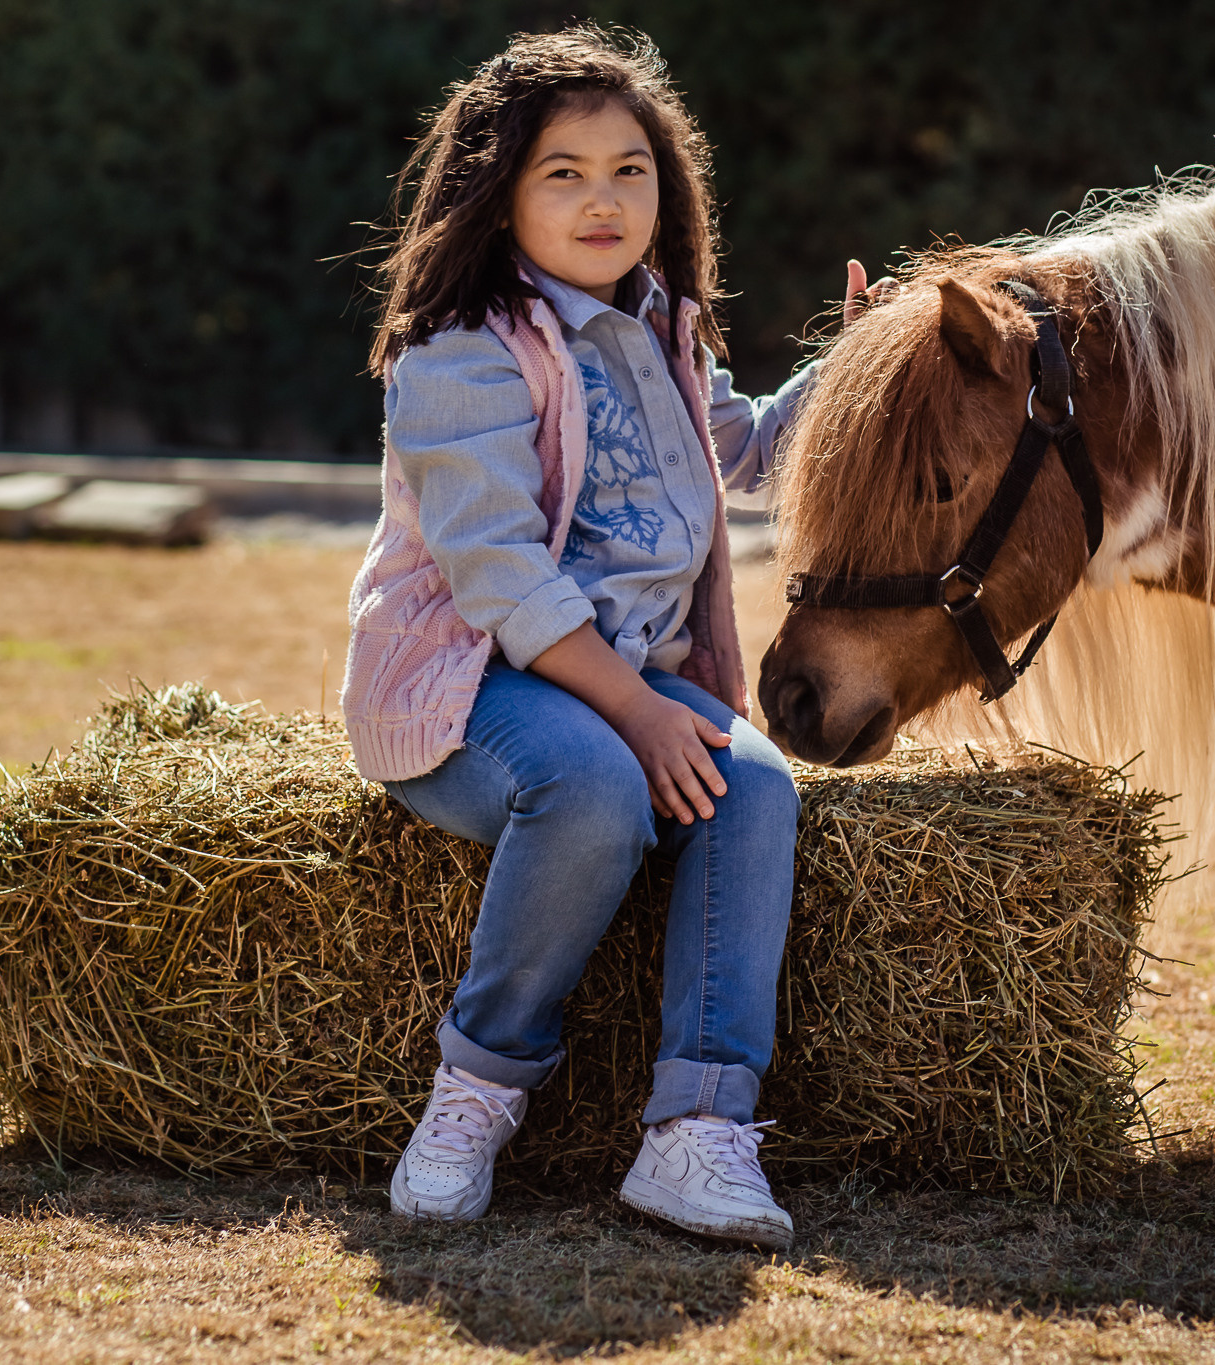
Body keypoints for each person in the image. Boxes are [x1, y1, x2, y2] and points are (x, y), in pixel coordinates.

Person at [341, 25, 887, 1251]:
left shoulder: (658, 330)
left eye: (629, 169)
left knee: (749, 792)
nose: (603, 198)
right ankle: (475, 1094)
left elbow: (741, 452)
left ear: (668, 184)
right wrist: (640, 712)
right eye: (563, 172)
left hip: (620, 682)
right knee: (595, 790)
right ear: (496, 192)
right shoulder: (459, 353)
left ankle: (697, 1133)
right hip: (471, 689)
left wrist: (853, 363)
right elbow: (499, 576)